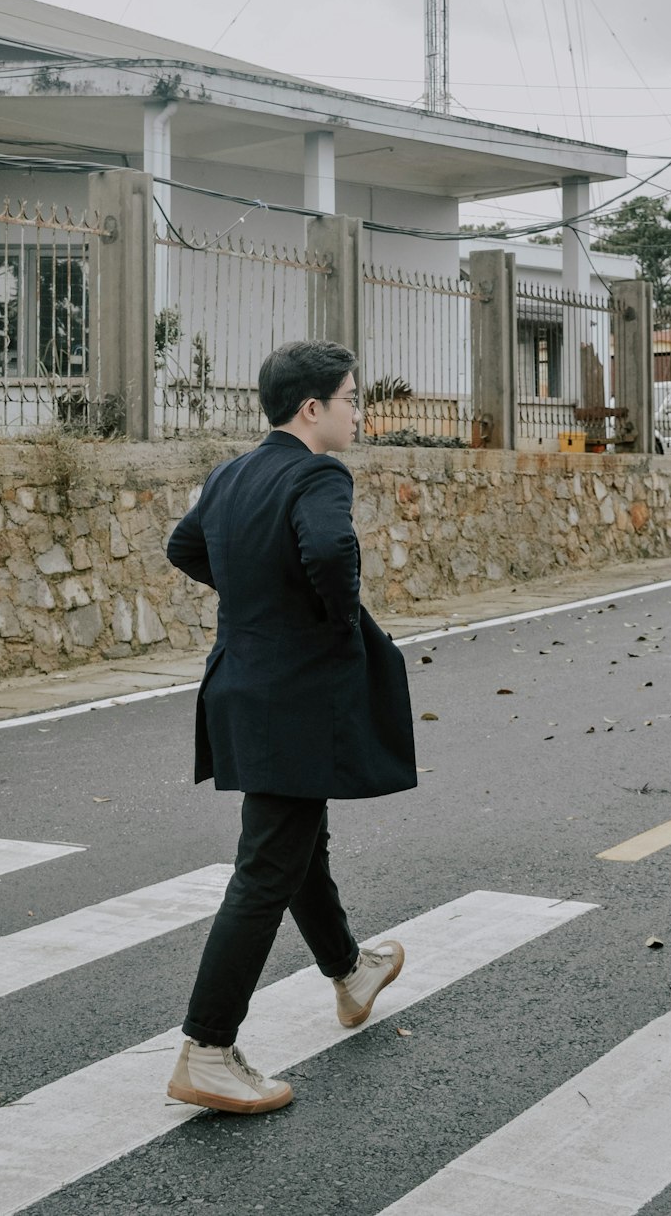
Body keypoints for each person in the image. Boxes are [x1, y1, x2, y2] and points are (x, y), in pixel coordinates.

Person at [165, 339, 417, 1114]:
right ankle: (206, 1049)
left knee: (295, 837)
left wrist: (258, 592)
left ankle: (349, 970)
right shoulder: (318, 472)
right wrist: (334, 621)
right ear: (313, 409)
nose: (357, 412)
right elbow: (331, 548)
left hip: (239, 683)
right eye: (350, 399)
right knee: (268, 866)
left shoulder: (232, 472)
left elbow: (185, 547)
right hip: (293, 695)